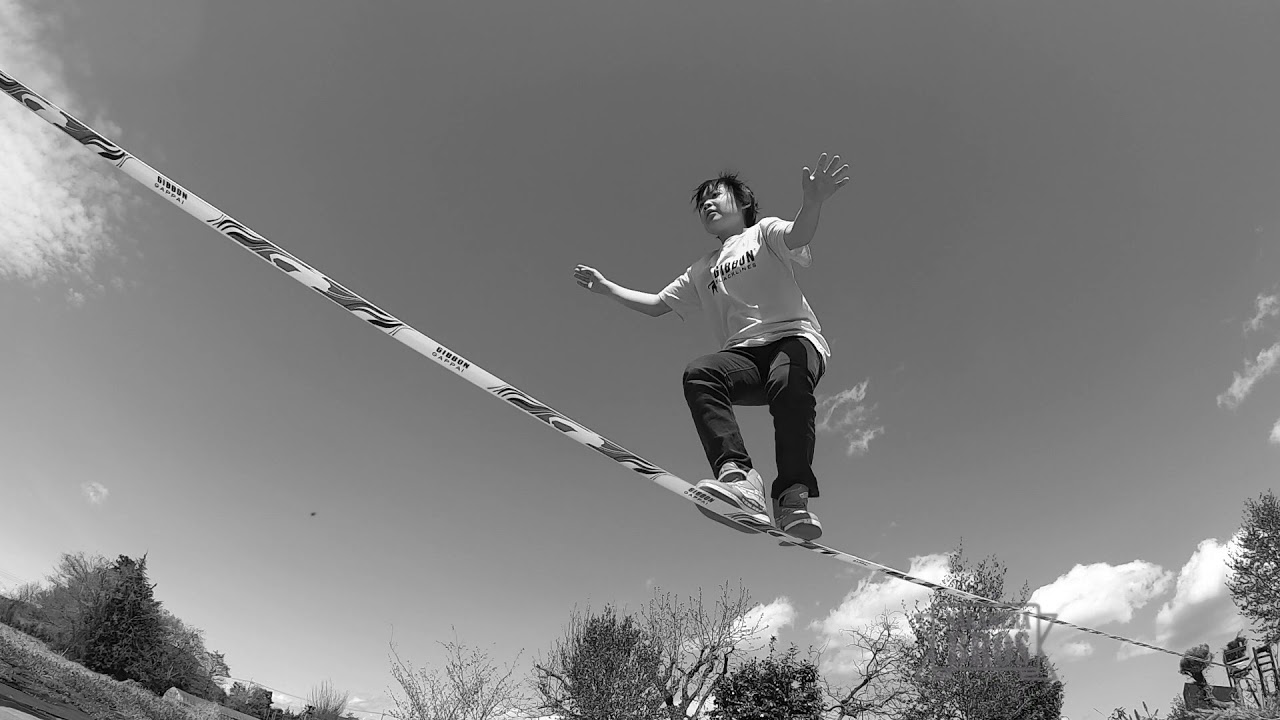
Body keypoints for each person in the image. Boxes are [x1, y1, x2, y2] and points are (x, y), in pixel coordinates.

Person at [573, 153, 849, 541]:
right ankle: (740, 481)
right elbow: (656, 305)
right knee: (701, 373)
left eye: (716, 196)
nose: (707, 204)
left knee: (789, 383)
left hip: (794, 340)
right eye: (701, 202)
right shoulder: (701, 269)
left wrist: (814, 201)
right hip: (745, 357)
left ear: (744, 204)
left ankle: (791, 497)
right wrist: (607, 288)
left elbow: (799, 235)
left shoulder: (763, 233)